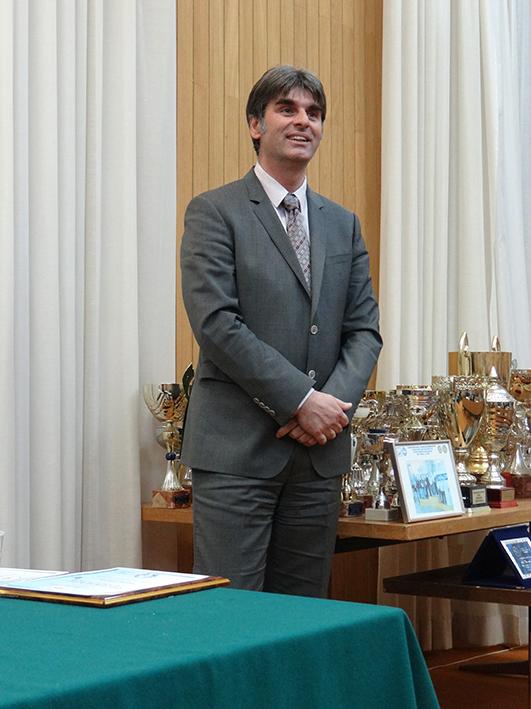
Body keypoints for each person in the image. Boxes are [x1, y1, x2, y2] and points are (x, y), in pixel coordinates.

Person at [180, 65, 382, 598]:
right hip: (237, 454)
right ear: (256, 124)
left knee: (302, 618)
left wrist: (329, 411)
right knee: (234, 618)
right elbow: (217, 325)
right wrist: (301, 401)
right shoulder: (214, 212)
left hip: (318, 457)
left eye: (314, 113)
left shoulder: (343, 223)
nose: (303, 122)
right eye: (286, 109)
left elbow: (365, 330)